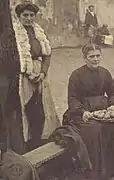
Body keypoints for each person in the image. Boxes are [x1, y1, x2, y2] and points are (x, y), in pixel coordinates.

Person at [63, 43, 114, 180]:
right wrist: (82, 112)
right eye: (91, 57)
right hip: (82, 115)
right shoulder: (76, 75)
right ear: (85, 58)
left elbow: (113, 92)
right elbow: (72, 99)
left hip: (102, 111)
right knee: (96, 129)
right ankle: (100, 173)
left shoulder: (105, 72)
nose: (95, 59)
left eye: (98, 56)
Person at [6, 2, 60, 153]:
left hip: (39, 72)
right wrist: (27, 73)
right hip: (22, 74)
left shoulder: (39, 32)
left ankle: (41, 138)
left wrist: (42, 72)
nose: (29, 18)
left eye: (31, 15)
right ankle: (26, 141)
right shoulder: (14, 34)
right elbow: (12, 58)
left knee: (41, 106)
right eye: (25, 15)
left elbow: (47, 55)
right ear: (19, 16)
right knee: (25, 106)